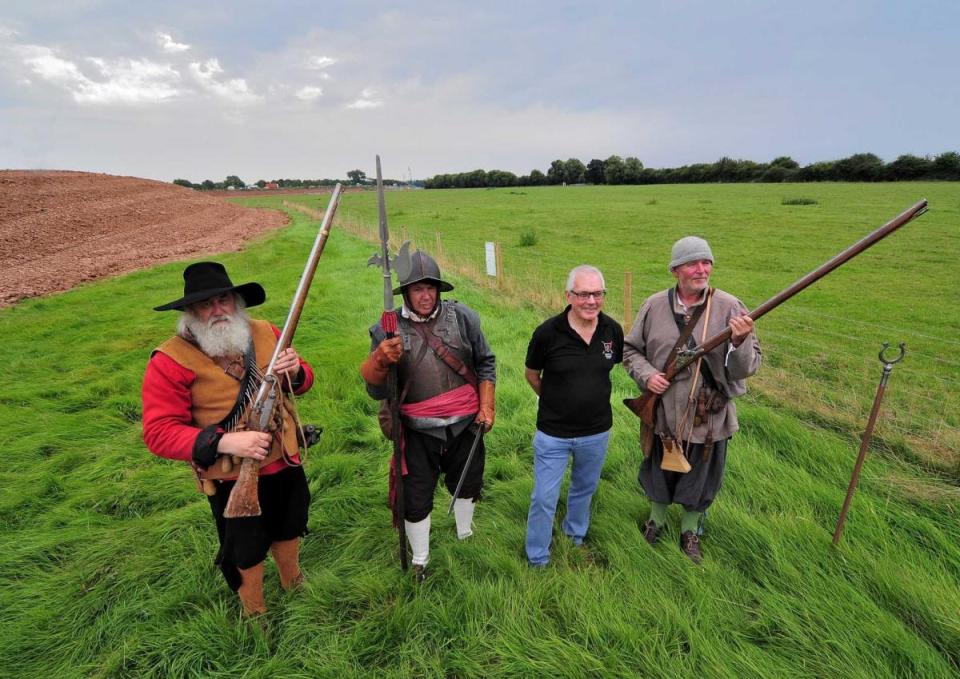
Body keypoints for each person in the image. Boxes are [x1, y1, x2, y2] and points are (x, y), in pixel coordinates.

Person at [142, 261, 314, 616]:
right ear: (190, 312)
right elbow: (158, 433)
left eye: (224, 299)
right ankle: (255, 612)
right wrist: (225, 442)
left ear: (236, 302)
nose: (217, 310)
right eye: (206, 304)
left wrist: (296, 371)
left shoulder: (267, 331)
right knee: (245, 548)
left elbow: (303, 381)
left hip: (284, 456)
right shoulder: (169, 360)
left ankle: (293, 581)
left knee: (290, 524)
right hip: (232, 475)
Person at [360, 249, 495, 582]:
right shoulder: (386, 329)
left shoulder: (464, 318)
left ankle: (465, 534)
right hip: (416, 429)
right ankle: (420, 559)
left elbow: (485, 363)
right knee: (416, 495)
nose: (426, 295)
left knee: (468, 480)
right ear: (405, 291)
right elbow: (377, 391)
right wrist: (380, 361)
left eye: (431, 287)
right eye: (418, 288)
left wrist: (486, 405)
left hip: (466, 424)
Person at [623, 236, 760, 563]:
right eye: (692, 263)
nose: (702, 269)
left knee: (701, 476)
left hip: (708, 413)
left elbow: (748, 367)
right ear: (675, 270)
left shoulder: (729, 306)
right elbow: (630, 350)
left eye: (707, 262)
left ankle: (689, 530)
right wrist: (647, 376)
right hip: (664, 410)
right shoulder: (654, 306)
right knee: (659, 469)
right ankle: (655, 521)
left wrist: (739, 341)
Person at [524, 265, 623, 567]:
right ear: (568, 295)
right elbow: (531, 374)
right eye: (583, 294)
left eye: (597, 294)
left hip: (596, 431)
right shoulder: (547, 333)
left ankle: (574, 537)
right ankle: (537, 557)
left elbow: (607, 369)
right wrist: (554, 400)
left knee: (584, 488)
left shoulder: (612, 331)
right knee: (543, 497)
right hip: (553, 434)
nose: (591, 301)